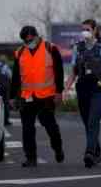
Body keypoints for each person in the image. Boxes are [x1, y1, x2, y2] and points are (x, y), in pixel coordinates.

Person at [65, 19, 101, 168]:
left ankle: (89, 153)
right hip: (82, 89)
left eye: (87, 29)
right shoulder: (78, 48)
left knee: (93, 121)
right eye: (83, 29)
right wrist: (66, 89)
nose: (84, 32)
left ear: (94, 30)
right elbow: (74, 71)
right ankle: (97, 152)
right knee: (88, 123)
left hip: (99, 90)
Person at [10, 26, 65, 167]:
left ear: (37, 36)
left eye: (31, 39)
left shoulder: (51, 48)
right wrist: (12, 97)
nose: (29, 42)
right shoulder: (20, 52)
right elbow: (15, 77)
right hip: (26, 97)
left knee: (51, 127)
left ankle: (58, 148)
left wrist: (59, 92)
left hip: (46, 97)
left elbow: (59, 71)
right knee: (27, 129)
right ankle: (31, 158)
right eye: (25, 41)